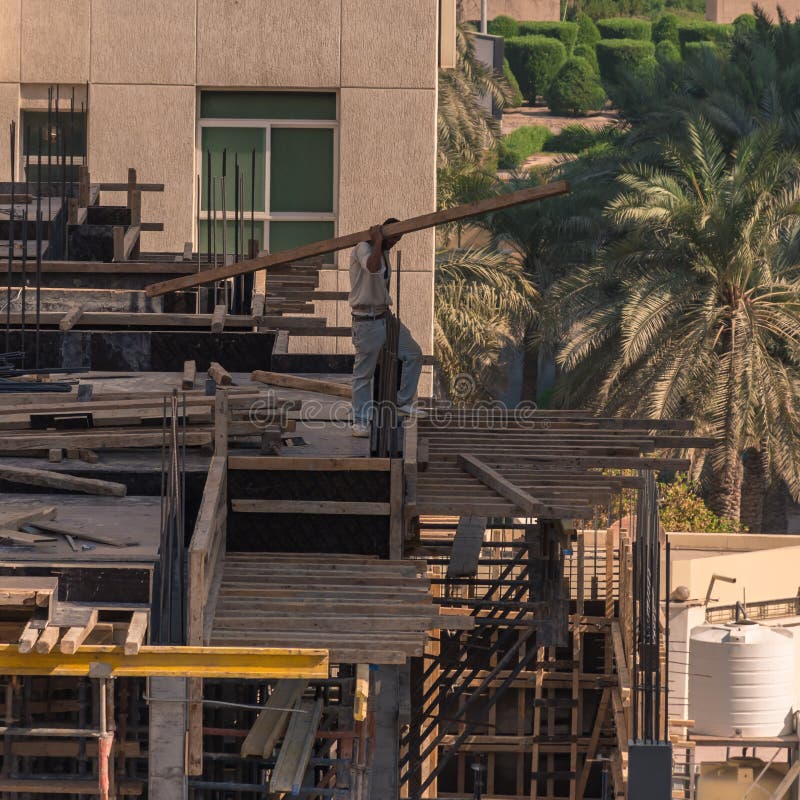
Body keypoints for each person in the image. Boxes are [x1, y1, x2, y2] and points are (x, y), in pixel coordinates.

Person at [349, 218, 424, 437]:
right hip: (366, 320)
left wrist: (383, 244)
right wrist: (378, 241)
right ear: (383, 233)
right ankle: (361, 421)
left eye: (398, 239)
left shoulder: (385, 251)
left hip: (384, 316)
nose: (394, 243)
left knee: (414, 354)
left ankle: (403, 402)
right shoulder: (363, 248)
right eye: (393, 238)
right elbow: (372, 268)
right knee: (364, 375)